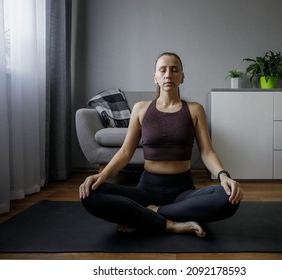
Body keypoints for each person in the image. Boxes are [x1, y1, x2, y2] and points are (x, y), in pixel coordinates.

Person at [79, 52, 243, 237]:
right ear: (155, 77)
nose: (168, 75)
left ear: (182, 77)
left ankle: (150, 214)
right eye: (162, 70)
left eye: (174, 70)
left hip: (183, 192)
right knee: (91, 194)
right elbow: (125, 152)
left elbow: (207, 152)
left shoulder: (195, 109)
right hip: (147, 190)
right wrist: (102, 175)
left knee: (228, 198)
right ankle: (171, 224)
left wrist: (223, 176)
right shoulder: (141, 109)